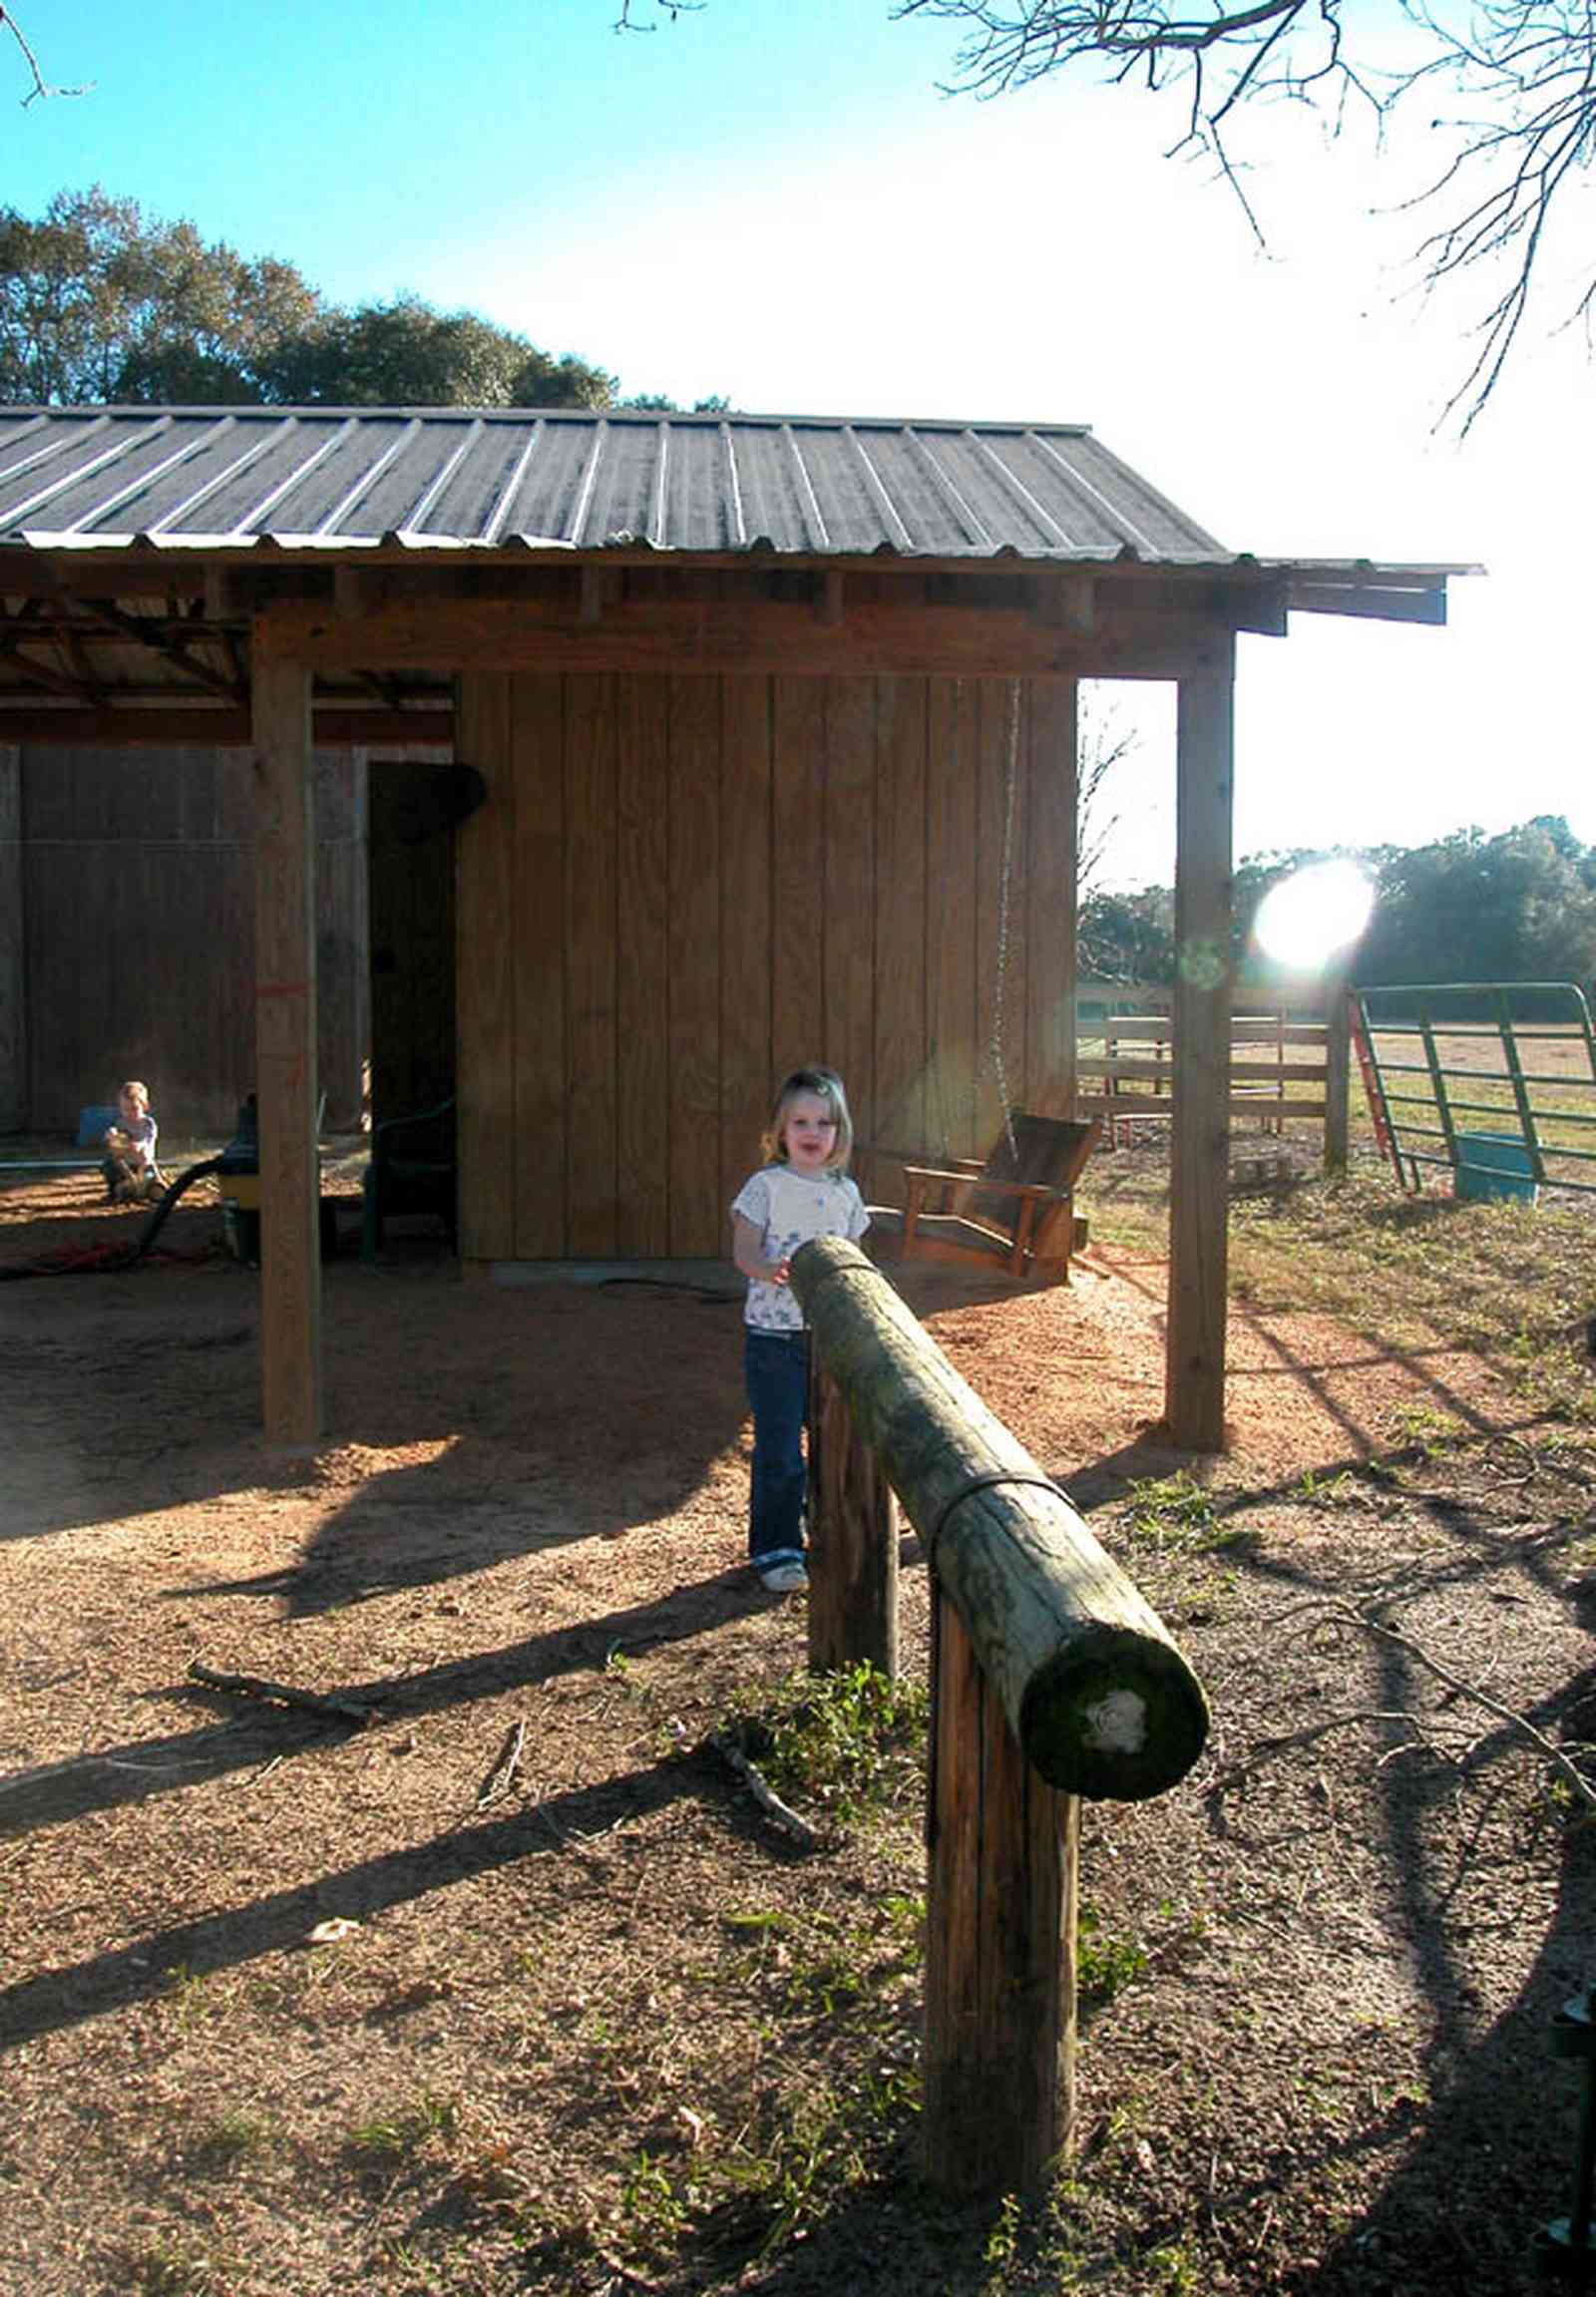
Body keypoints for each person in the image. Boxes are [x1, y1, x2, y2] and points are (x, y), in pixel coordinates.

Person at [730, 1066, 870, 1594]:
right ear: (780, 1131)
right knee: (781, 1446)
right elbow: (744, 1248)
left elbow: (856, 1258)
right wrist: (766, 1269)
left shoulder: (845, 1193)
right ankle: (776, 1547)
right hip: (774, 1341)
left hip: (830, 1340)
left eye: (825, 1123)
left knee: (834, 1441)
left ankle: (824, 1524)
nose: (813, 1132)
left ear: (840, 1133)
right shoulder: (764, 1187)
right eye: (801, 1122)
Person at [102, 1078, 164, 1204]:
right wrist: (111, 1135)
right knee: (110, 1165)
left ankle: (152, 1188)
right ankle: (121, 1189)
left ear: (144, 1106)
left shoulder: (148, 1123)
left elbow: (148, 1139)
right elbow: (114, 1141)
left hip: (143, 1164)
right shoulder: (120, 1123)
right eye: (125, 1109)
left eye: (134, 1108)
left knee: (151, 1178)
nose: (129, 1113)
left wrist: (140, 1145)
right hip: (126, 1166)